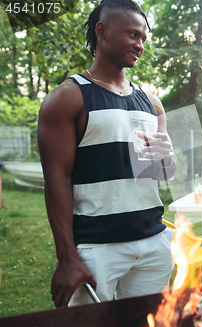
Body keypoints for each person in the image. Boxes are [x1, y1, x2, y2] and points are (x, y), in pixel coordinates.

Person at [37, 0, 177, 308]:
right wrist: (67, 257)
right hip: (96, 247)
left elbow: (164, 173)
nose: (140, 44)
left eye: (143, 37)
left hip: (153, 241)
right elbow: (57, 179)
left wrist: (168, 158)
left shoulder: (151, 103)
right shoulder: (67, 98)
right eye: (132, 34)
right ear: (102, 31)